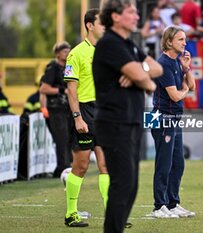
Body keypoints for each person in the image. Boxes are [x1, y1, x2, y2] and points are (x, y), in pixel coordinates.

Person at [92, 0, 163, 232]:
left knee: (130, 186)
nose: (136, 17)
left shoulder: (128, 45)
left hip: (130, 121)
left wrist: (137, 72)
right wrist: (140, 74)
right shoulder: (110, 44)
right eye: (131, 12)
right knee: (122, 185)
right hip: (114, 123)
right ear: (115, 16)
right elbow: (147, 80)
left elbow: (157, 69)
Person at [63, 8, 108, 228]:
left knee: (106, 165)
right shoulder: (76, 53)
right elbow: (72, 90)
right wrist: (77, 118)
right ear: (90, 25)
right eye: (102, 23)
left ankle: (112, 214)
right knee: (80, 166)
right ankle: (71, 213)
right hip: (85, 111)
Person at [151, 25, 196, 218]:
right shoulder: (163, 64)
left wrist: (187, 69)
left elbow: (191, 85)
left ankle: (172, 203)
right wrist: (184, 90)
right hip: (161, 118)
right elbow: (176, 96)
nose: (185, 43)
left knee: (178, 164)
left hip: (174, 119)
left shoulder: (177, 62)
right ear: (169, 42)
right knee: (164, 163)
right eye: (180, 39)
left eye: (184, 39)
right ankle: (158, 206)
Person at [40, 41, 72, 178]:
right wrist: (62, 90)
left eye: (69, 50)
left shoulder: (69, 67)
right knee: (61, 138)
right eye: (65, 51)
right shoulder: (53, 67)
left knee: (69, 138)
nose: (68, 53)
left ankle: (66, 166)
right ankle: (62, 168)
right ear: (57, 54)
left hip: (67, 109)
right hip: (56, 109)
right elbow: (44, 88)